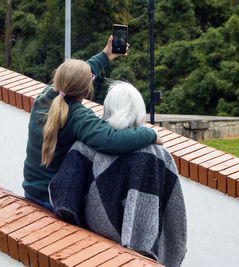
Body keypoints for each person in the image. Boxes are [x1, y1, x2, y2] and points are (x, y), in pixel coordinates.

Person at [49, 81, 187, 267]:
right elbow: (174, 208)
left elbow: (63, 195)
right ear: (139, 110)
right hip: (138, 256)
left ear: (107, 108)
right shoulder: (156, 153)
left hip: (89, 250)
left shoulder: (86, 143)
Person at [22, 36, 163, 211]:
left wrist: (105, 55)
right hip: (52, 200)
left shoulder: (44, 97)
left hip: (30, 191)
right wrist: (150, 134)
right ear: (88, 91)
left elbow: (75, 77)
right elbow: (111, 139)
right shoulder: (79, 117)